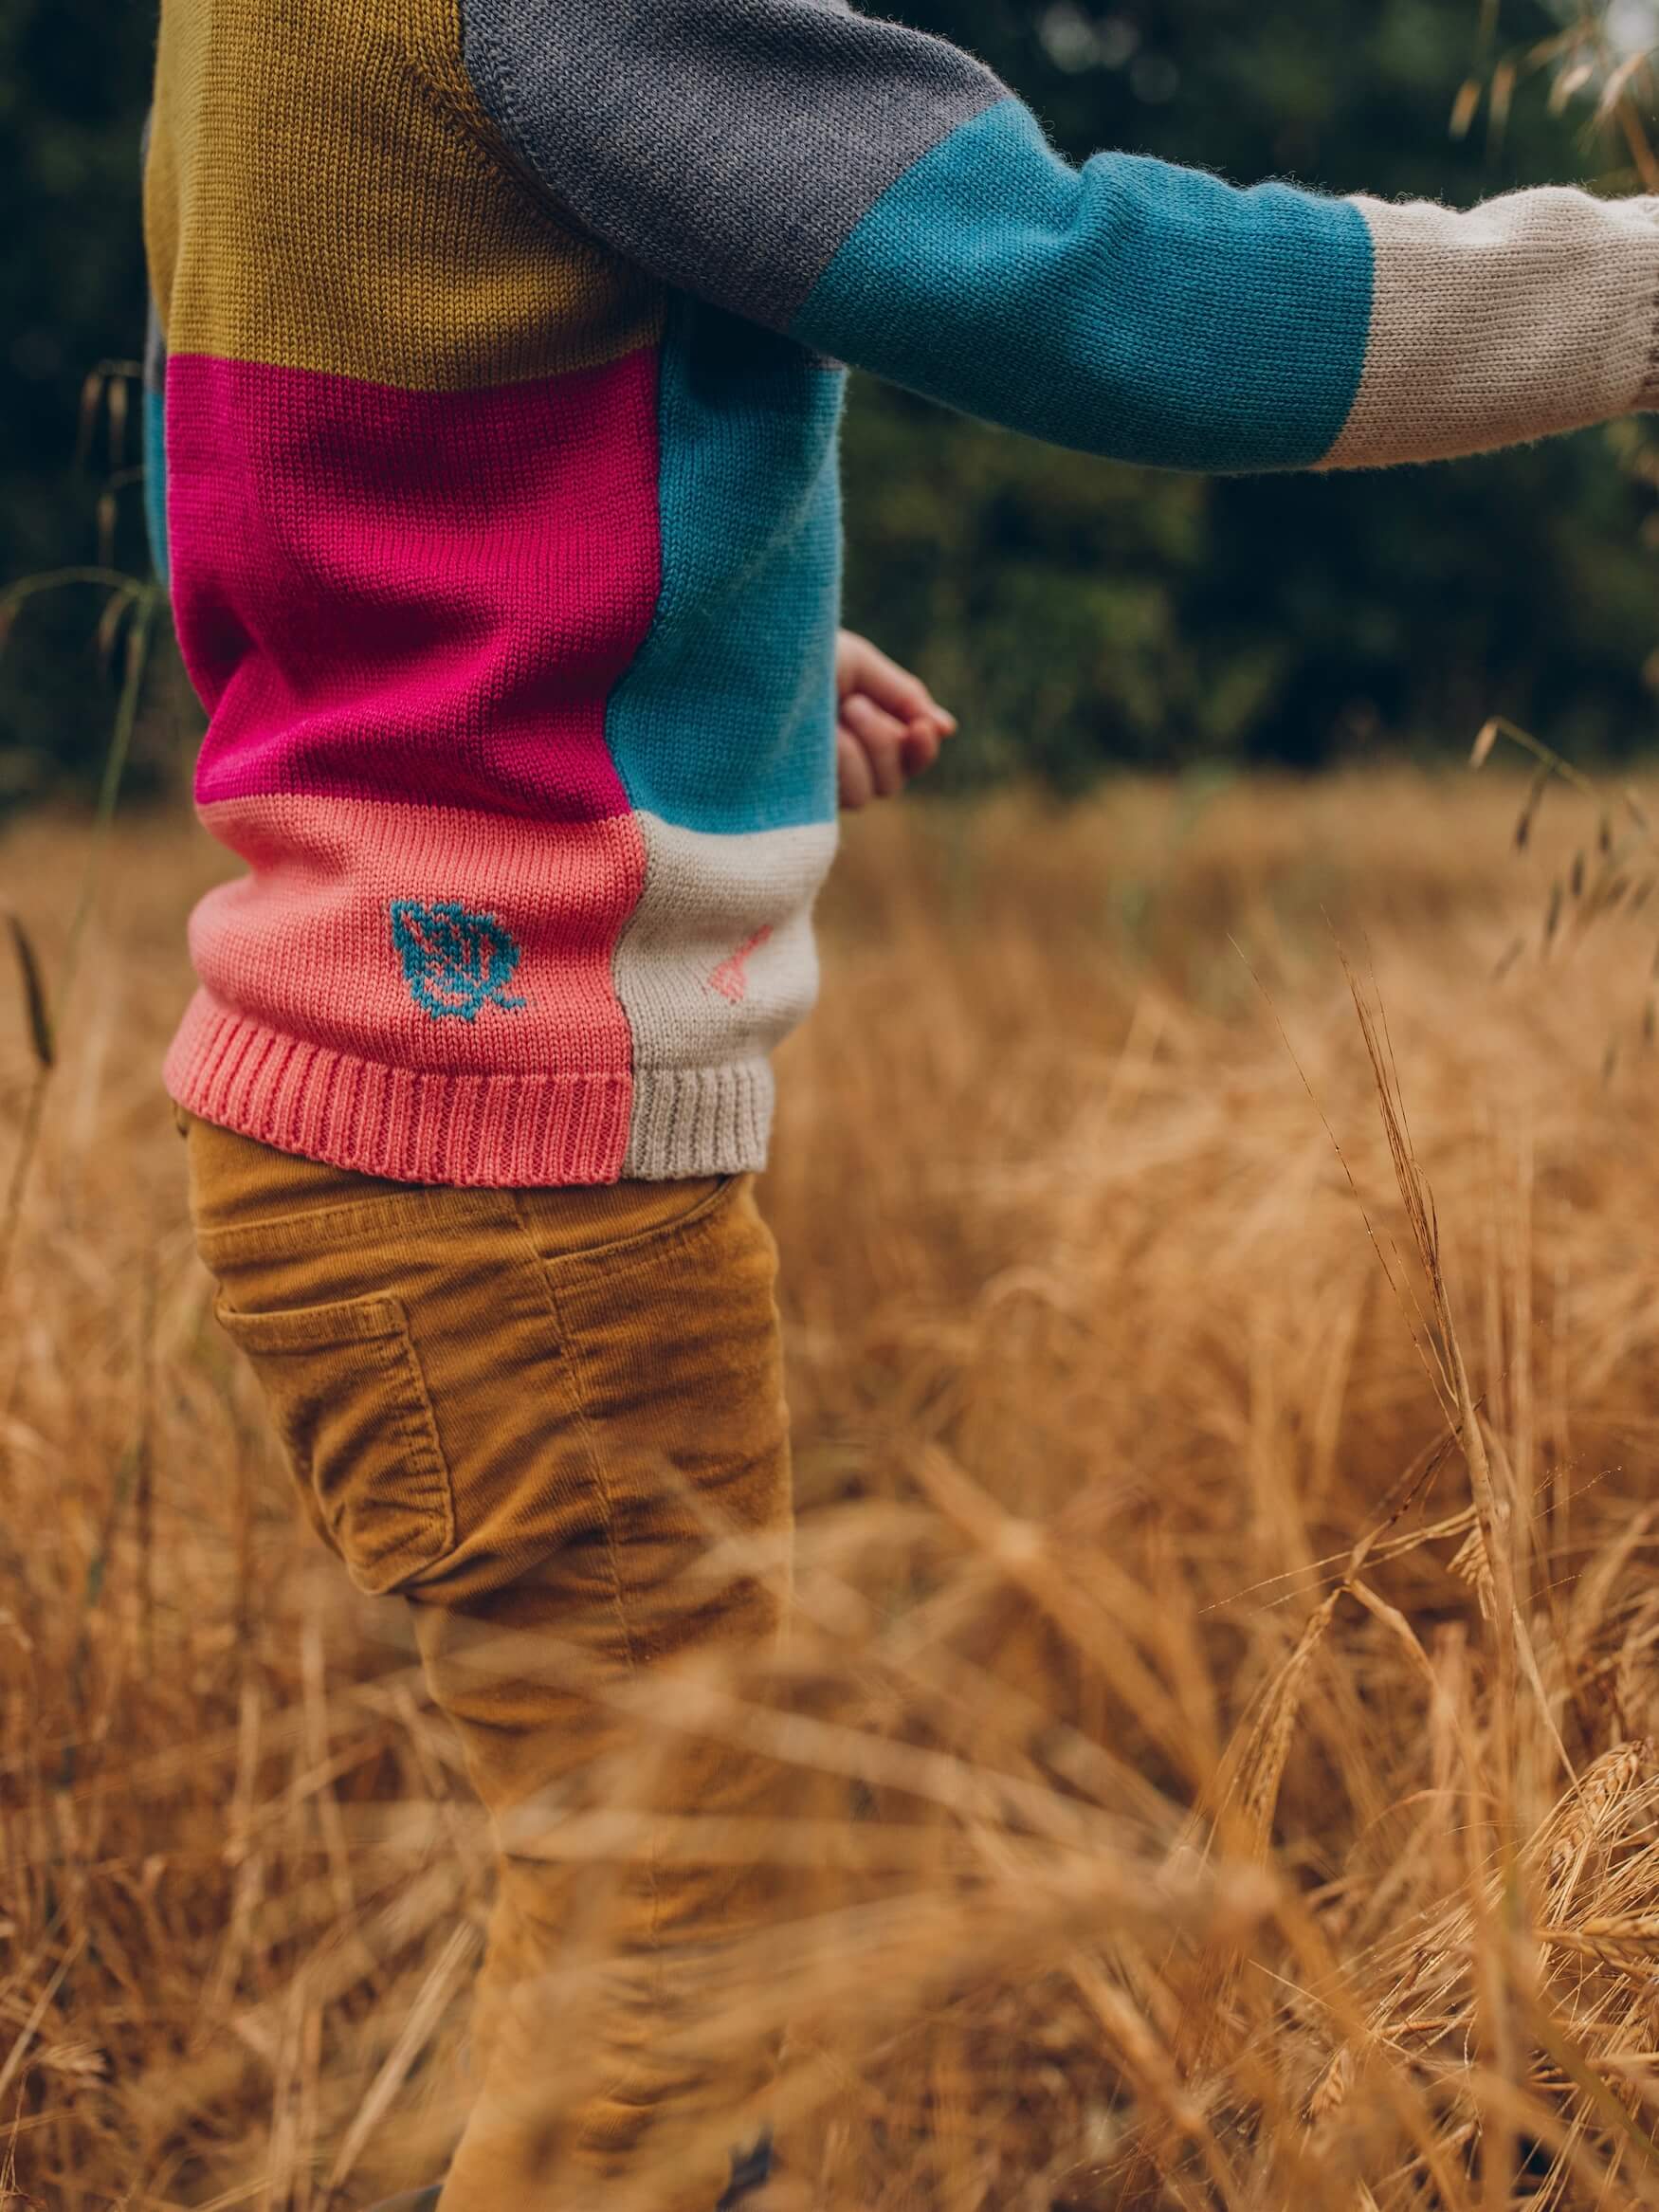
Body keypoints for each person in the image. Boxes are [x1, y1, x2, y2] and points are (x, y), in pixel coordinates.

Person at [142, 0, 1659, 2203]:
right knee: (675, 1985)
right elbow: (1097, 295)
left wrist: (700, 649)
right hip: (513, 1173)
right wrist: (1627, 285)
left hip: (366, 1112)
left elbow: (329, 427)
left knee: (630, 1926)